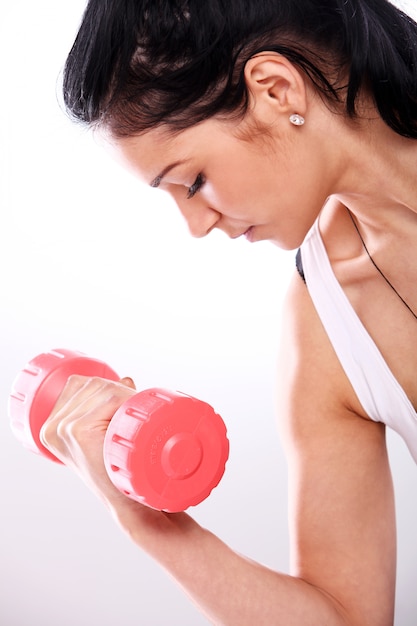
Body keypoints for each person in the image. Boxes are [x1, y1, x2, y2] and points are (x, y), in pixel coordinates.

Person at [40, 1, 417, 624]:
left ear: (274, 89)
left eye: (191, 182)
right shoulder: (327, 326)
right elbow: (346, 617)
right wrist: (149, 522)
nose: (195, 225)